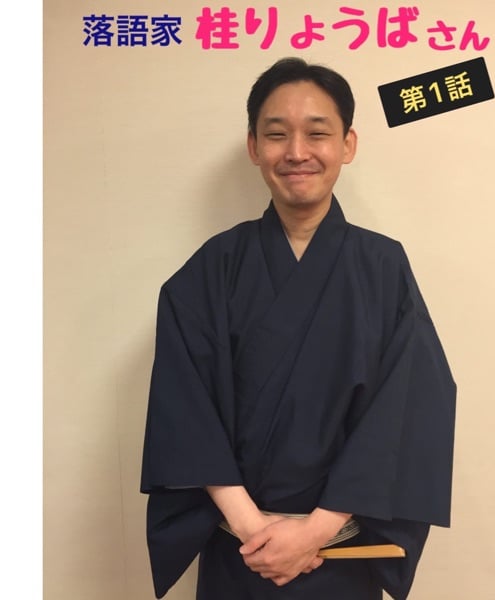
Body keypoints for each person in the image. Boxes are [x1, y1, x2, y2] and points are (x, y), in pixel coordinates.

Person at [140, 57, 456, 600]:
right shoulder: (213, 268)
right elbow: (183, 406)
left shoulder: (383, 267)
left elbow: (408, 405)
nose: (296, 152)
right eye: (276, 134)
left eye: (317, 133)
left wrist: (315, 531)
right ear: (253, 146)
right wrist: (255, 530)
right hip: (240, 549)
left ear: (347, 144)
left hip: (338, 552)